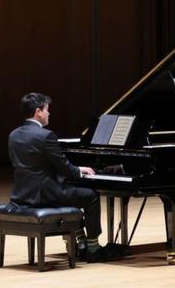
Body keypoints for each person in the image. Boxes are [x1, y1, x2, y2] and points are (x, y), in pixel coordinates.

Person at [8, 93, 112, 262]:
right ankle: (93, 247)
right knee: (91, 196)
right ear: (38, 112)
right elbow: (64, 167)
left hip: (22, 194)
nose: (49, 114)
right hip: (45, 195)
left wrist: (74, 171)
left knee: (72, 195)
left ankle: (81, 240)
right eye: (47, 110)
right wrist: (80, 171)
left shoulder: (14, 134)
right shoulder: (45, 135)